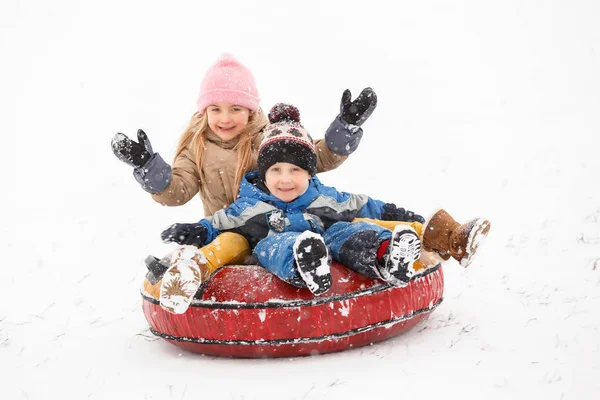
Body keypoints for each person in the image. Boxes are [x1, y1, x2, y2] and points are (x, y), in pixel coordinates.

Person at [159, 104, 491, 314]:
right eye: (276, 170)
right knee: (274, 246)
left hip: (326, 237)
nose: (285, 180)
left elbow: (365, 204)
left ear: (309, 173)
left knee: (348, 230)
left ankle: (390, 255)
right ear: (263, 172)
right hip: (271, 244)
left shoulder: (323, 198)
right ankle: (306, 265)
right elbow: (219, 222)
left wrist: (404, 216)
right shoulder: (251, 204)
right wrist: (195, 230)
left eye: (295, 171)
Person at [110, 53, 378, 282]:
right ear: (205, 111)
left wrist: (345, 128)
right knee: (226, 245)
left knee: (342, 223)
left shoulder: (268, 138)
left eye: (235, 108)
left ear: (250, 110)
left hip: (275, 228)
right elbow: (176, 191)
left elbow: (316, 157)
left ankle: (354, 250)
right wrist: (148, 167)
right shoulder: (196, 146)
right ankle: (181, 272)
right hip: (225, 230)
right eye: (215, 109)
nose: (225, 119)